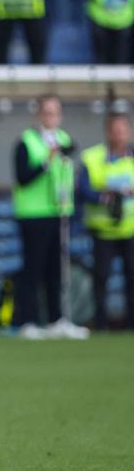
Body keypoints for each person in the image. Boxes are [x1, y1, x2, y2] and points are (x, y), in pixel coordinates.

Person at [11, 95, 87, 339]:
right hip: (33, 214)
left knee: (57, 269)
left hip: (59, 213)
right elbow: (23, 177)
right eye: (48, 112)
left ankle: (57, 319)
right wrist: (47, 160)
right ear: (39, 115)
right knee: (33, 269)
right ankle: (28, 321)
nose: (52, 117)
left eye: (56, 112)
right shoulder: (27, 141)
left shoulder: (64, 140)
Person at [77, 112, 134, 330]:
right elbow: (83, 189)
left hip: (130, 229)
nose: (119, 134)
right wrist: (105, 196)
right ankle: (100, 325)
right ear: (108, 132)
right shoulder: (93, 157)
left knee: (132, 279)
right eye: (115, 129)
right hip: (103, 230)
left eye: (123, 129)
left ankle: (131, 326)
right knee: (101, 279)